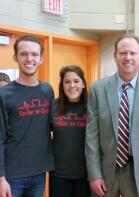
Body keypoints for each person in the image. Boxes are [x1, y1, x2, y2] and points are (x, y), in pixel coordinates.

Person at [85, 34, 139, 197]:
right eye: (123, 53)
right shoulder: (97, 89)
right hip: (107, 170)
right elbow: (91, 137)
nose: (128, 57)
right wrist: (94, 174)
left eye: (132, 53)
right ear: (115, 56)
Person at [0, 35, 54, 197]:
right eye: (23, 54)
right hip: (12, 176)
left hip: (39, 173)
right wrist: (0, 177)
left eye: (34, 54)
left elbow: (53, 125)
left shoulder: (47, 90)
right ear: (15, 57)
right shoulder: (2, 95)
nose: (29, 59)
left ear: (41, 59)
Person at [50, 65, 91, 197]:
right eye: (67, 82)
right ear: (62, 85)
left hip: (87, 174)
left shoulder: (93, 106)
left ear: (83, 84)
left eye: (76, 81)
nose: (72, 85)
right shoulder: (53, 106)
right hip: (58, 174)